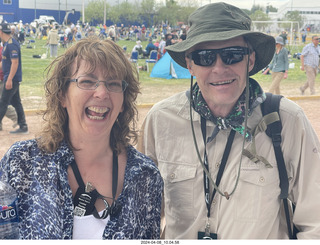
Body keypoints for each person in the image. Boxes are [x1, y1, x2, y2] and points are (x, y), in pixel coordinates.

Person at [138, 2, 320, 239]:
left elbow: (315, 224)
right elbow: (143, 215)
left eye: (232, 55)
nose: (219, 68)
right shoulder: (160, 121)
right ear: (190, 64)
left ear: (250, 60)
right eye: (205, 57)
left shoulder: (287, 121)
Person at [0, 36, 163, 239]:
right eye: (87, 81)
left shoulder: (146, 177)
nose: (102, 93)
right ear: (62, 95)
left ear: (123, 102)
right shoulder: (20, 164)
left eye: (113, 84)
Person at [0, 22, 28, 134]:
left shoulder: (12, 44)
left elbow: (15, 63)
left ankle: (23, 126)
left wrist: (10, 79)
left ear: (1, 32)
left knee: (3, 102)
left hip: (12, 78)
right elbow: (5, 62)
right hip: (10, 77)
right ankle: (23, 126)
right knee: (16, 102)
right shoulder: (7, 43)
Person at [0, 39, 17, 131]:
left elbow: (4, 63)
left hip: (2, 79)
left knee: (2, 102)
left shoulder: (3, 50)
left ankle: (16, 117)